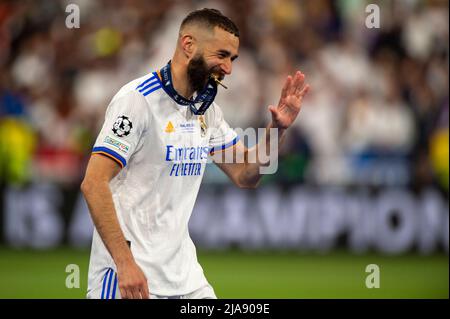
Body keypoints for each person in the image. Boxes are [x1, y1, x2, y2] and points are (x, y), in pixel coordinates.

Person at [81, 8, 310, 299]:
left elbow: (246, 174)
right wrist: (125, 264)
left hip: (186, 280)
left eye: (233, 59)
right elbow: (93, 183)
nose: (228, 69)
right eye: (222, 55)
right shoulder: (137, 101)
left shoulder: (206, 111)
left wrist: (276, 131)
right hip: (128, 278)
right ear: (188, 45)